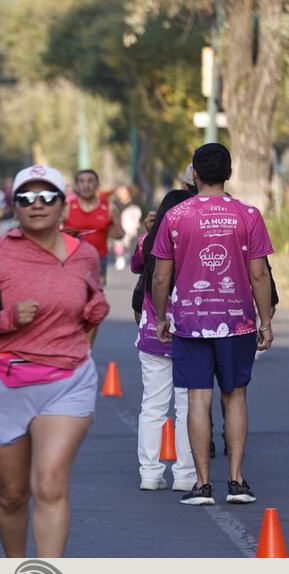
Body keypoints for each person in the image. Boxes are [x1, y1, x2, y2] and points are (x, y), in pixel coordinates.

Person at [0, 165, 109, 557]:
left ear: (62, 207)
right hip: (4, 383)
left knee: (51, 483)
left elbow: (90, 302)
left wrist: (95, 310)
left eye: (46, 197)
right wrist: (6, 318)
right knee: (12, 494)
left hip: (67, 381)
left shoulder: (85, 255)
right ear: (15, 207)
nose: (36, 205)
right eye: (25, 198)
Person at [151, 143, 274, 505]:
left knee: (197, 398)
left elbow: (160, 277)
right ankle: (236, 481)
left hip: (189, 321)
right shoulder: (248, 214)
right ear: (229, 174)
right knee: (235, 396)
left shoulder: (175, 216)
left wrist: (161, 317)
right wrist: (265, 321)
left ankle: (202, 484)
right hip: (236, 322)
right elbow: (259, 274)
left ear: (195, 174)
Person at [131, 190, 196, 492]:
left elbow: (136, 265)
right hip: (190, 333)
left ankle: (150, 473)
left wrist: (148, 232)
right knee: (187, 407)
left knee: (153, 406)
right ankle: (185, 475)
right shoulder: (195, 243)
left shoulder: (148, 242)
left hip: (152, 333)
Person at [63, 169, 123, 287]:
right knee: (74, 295)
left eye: (90, 181)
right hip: (72, 259)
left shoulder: (110, 208)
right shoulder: (67, 208)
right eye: (82, 181)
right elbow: (51, 230)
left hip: (99, 259)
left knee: (97, 297)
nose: (86, 185)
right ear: (77, 185)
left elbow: (120, 232)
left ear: (97, 185)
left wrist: (118, 233)